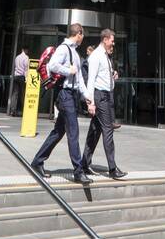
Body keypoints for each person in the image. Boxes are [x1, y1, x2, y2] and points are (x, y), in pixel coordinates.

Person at [30, 24, 88, 181]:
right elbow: (53, 65)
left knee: (59, 131)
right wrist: (68, 71)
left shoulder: (75, 53)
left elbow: (80, 79)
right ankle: (78, 171)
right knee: (73, 131)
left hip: (71, 95)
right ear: (78, 34)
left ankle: (37, 161)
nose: (83, 38)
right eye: (83, 35)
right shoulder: (64, 49)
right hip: (64, 94)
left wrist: (87, 96)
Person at [80, 28, 127, 180]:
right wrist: (91, 102)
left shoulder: (105, 56)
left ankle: (84, 163)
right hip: (100, 97)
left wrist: (113, 75)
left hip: (106, 95)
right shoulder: (95, 56)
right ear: (105, 39)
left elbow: (103, 75)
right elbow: (91, 80)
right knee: (108, 130)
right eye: (112, 40)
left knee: (95, 130)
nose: (113, 43)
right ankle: (112, 168)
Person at [9, 45, 29, 116]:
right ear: (26, 50)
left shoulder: (17, 57)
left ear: (22, 49)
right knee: (23, 94)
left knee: (15, 93)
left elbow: (15, 67)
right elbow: (26, 69)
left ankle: (12, 110)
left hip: (16, 76)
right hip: (21, 77)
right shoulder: (26, 58)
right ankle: (25, 110)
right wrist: (27, 78)